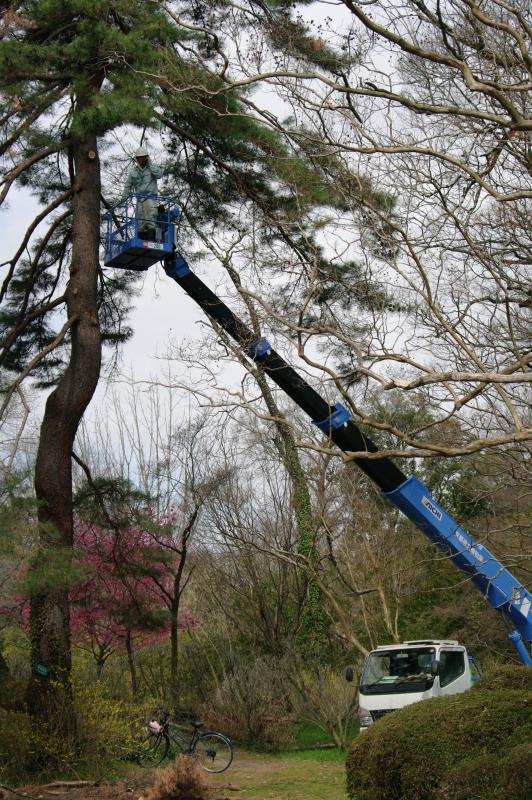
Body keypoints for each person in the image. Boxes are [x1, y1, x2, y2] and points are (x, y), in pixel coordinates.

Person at [123, 145, 164, 238]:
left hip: (150, 197)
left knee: (150, 218)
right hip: (139, 199)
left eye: (143, 158)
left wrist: (150, 165)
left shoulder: (152, 168)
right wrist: (124, 200)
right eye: (139, 158)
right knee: (140, 221)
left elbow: (159, 175)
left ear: (146, 158)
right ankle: (141, 239)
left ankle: (151, 238)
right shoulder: (133, 172)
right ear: (137, 159)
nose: (141, 160)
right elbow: (128, 186)